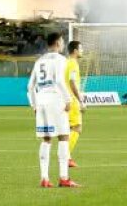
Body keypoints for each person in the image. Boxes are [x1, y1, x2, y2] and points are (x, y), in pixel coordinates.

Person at [27, 33, 78, 188]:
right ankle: (64, 178)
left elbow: (30, 87)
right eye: (62, 42)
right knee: (64, 137)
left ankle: (44, 178)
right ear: (57, 43)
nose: (63, 44)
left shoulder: (39, 61)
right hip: (56, 101)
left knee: (46, 140)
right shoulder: (61, 60)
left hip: (41, 102)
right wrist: (68, 99)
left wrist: (34, 105)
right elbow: (58, 81)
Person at [64, 40, 86, 168]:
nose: (82, 51)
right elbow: (72, 82)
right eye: (81, 49)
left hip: (65, 99)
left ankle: (67, 156)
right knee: (77, 128)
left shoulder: (66, 63)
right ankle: (65, 156)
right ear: (75, 51)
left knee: (68, 130)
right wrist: (80, 100)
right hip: (72, 100)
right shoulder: (73, 64)